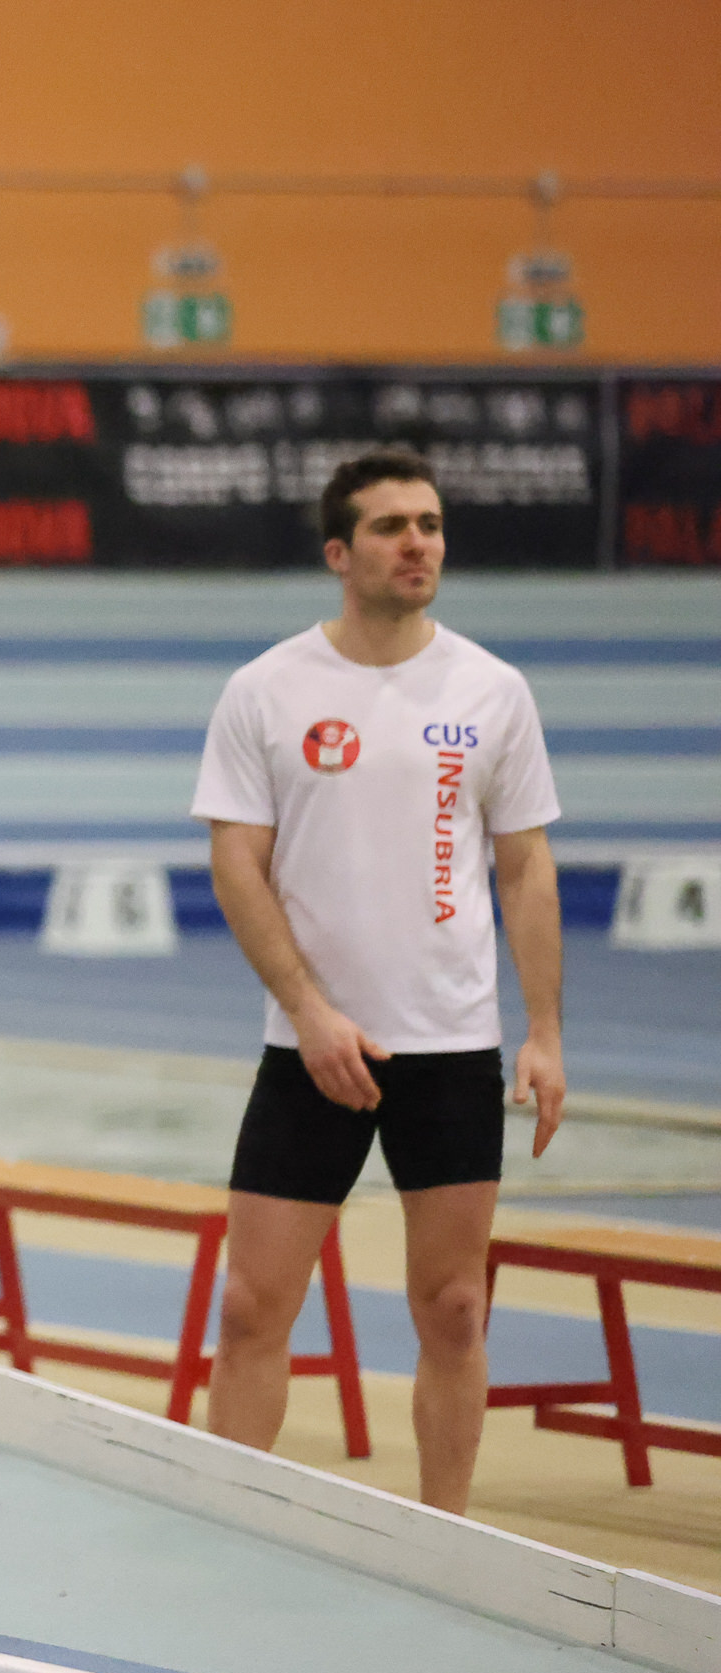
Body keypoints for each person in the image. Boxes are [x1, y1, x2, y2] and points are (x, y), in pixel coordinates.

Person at [192, 446, 565, 1514]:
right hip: (311, 1050)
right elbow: (236, 862)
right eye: (393, 526)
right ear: (338, 552)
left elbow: (525, 867)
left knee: (454, 1309)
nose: (418, 543)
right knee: (251, 1307)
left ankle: (445, 1537)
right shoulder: (267, 689)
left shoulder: (493, 691)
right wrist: (310, 1012)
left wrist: (544, 1033)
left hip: (451, 1049)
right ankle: (232, 1528)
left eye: (431, 524)